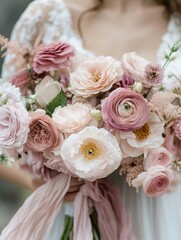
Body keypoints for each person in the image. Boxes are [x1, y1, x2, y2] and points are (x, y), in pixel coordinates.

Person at [1, 0, 181, 239]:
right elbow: (4, 128)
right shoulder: (47, 13)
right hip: (70, 209)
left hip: (157, 208)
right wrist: (37, 184)